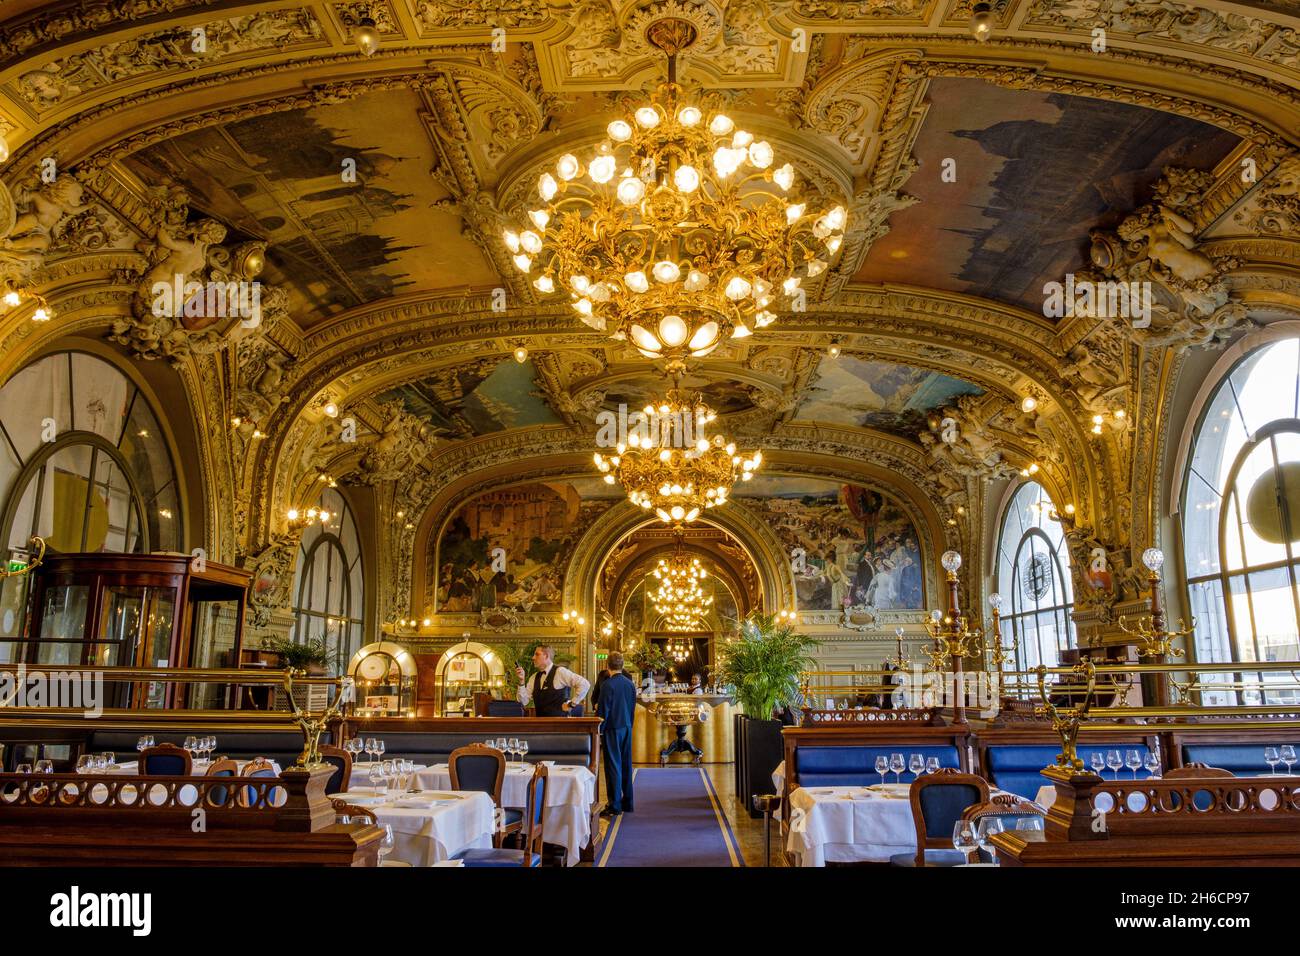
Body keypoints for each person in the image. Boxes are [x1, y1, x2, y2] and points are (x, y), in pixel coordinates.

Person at [596, 651, 635, 816]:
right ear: (623, 665)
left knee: (613, 766)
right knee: (626, 764)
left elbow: (603, 711)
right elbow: (632, 708)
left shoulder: (607, 685)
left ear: (607, 666)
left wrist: (600, 732)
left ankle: (614, 805)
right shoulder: (630, 684)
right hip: (626, 727)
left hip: (612, 728)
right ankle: (628, 803)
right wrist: (629, 725)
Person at [516, 645, 590, 717]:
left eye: (537, 654)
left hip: (560, 725)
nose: (533, 657)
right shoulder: (534, 677)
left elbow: (584, 684)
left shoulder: (560, 672)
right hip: (540, 725)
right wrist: (521, 681)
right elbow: (523, 702)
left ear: (546, 656)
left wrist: (572, 704)